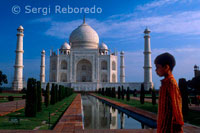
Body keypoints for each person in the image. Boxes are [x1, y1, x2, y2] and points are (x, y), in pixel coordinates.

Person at [154, 52, 184, 133]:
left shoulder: (171, 83)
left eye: (157, 67)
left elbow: (177, 104)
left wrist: (178, 122)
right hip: (163, 124)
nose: (156, 70)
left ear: (166, 67)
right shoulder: (165, 83)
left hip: (170, 125)